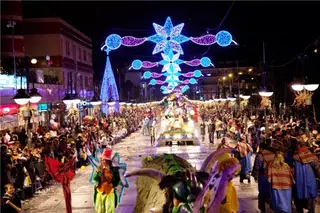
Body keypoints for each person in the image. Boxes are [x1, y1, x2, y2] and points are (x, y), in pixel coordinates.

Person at [293, 140, 319, 213]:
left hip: (299, 179)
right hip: (310, 178)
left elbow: (293, 170)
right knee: (311, 195)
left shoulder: (295, 157)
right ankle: (311, 210)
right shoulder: (312, 156)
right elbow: (317, 168)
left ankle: (300, 210)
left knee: (299, 195)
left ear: (298, 146)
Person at [93, 149, 121, 213]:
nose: (103, 161)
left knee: (109, 210)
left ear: (108, 161)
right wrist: (98, 173)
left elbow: (118, 180)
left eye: (105, 160)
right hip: (100, 192)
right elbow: (94, 178)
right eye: (102, 160)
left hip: (109, 192)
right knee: (100, 210)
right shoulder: (99, 169)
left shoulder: (114, 170)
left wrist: (113, 184)